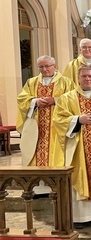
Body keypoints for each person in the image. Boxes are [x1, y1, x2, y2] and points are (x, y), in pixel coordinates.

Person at [52, 65, 91, 229]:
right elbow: (58, 120)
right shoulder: (67, 98)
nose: (87, 79)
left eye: (90, 76)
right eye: (84, 76)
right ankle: (82, 217)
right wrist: (78, 120)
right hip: (78, 148)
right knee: (81, 176)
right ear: (78, 79)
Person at [16, 55, 74, 194]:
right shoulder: (32, 82)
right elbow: (22, 99)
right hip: (37, 128)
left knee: (57, 156)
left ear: (54, 66)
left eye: (47, 66)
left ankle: (57, 187)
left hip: (57, 129)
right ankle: (38, 188)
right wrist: (35, 101)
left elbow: (73, 100)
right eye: (41, 67)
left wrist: (55, 100)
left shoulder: (66, 82)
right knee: (35, 154)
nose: (44, 69)